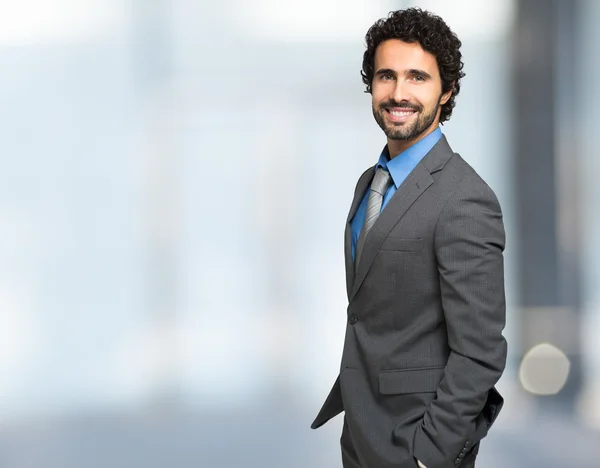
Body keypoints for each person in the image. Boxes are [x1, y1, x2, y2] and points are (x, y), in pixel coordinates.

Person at [310, 8, 507, 468]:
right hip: (362, 433)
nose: (398, 93)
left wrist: (430, 455)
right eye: (386, 76)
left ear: (447, 91)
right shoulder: (370, 182)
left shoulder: (465, 199)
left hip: (415, 443)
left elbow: (480, 350)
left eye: (417, 77)